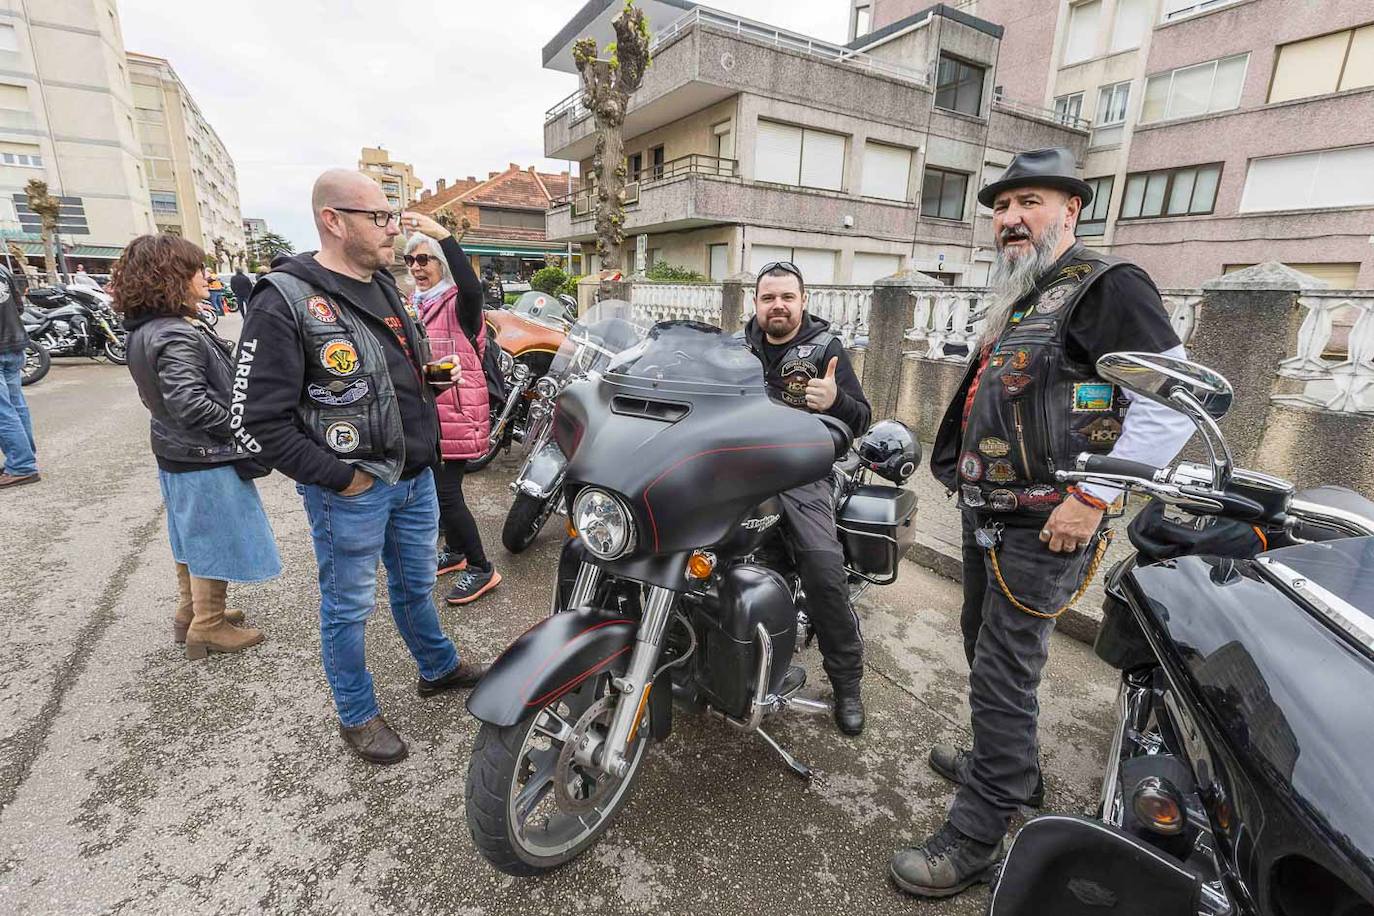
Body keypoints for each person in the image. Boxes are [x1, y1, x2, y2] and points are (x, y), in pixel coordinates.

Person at [889, 147, 1197, 898]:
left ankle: (979, 830)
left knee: (1003, 670)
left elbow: (1171, 400)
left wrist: (1090, 499)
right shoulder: (1031, 291)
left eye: (1028, 201)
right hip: (989, 511)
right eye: (1000, 206)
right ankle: (1012, 770)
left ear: (1072, 209)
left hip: (1047, 521)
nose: (1010, 218)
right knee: (980, 644)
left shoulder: (1107, 284)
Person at [234, 169, 486, 765]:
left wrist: (423, 380)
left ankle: (437, 667)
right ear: (334, 220)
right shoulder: (284, 299)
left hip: (415, 474)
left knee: (415, 584)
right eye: (379, 217)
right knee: (348, 604)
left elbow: (375, 375)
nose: (393, 228)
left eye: (390, 217)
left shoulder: (386, 286)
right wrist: (341, 477)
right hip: (353, 487)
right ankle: (356, 713)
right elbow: (258, 421)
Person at [112, 234, 278, 657]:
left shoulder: (147, 328)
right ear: (171, 277)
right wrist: (239, 427)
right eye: (196, 269)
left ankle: (192, 611)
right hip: (202, 454)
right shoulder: (175, 333)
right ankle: (208, 624)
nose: (206, 275)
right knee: (213, 535)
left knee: (190, 535)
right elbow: (191, 404)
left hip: (176, 451)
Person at [742, 261, 872, 736]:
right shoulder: (736, 347)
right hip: (738, 467)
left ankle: (846, 682)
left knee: (822, 570)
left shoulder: (826, 348)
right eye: (768, 297)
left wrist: (835, 400)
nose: (778, 305)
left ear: (803, 301)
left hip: (803, 472)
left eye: (787, 297)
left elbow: (861, 419)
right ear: (755, 303)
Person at [404, 214, 503, 604]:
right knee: (439, 488)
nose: (417, 267)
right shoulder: (417, 302)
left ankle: (482, 567)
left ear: (441, 264)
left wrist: (443, 237)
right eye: (412, 260)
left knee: (447, 493)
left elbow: (471, 284)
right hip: (433, 410)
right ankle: (458, 553)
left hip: (459, 411)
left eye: (424, 259)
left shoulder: (460, 301)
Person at [0, 258, 39, 489]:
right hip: (14, 343)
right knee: (15, 405)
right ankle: (23, 457)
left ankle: (22, 465)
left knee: (3, 411)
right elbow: (20, 306)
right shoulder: (2, 269)